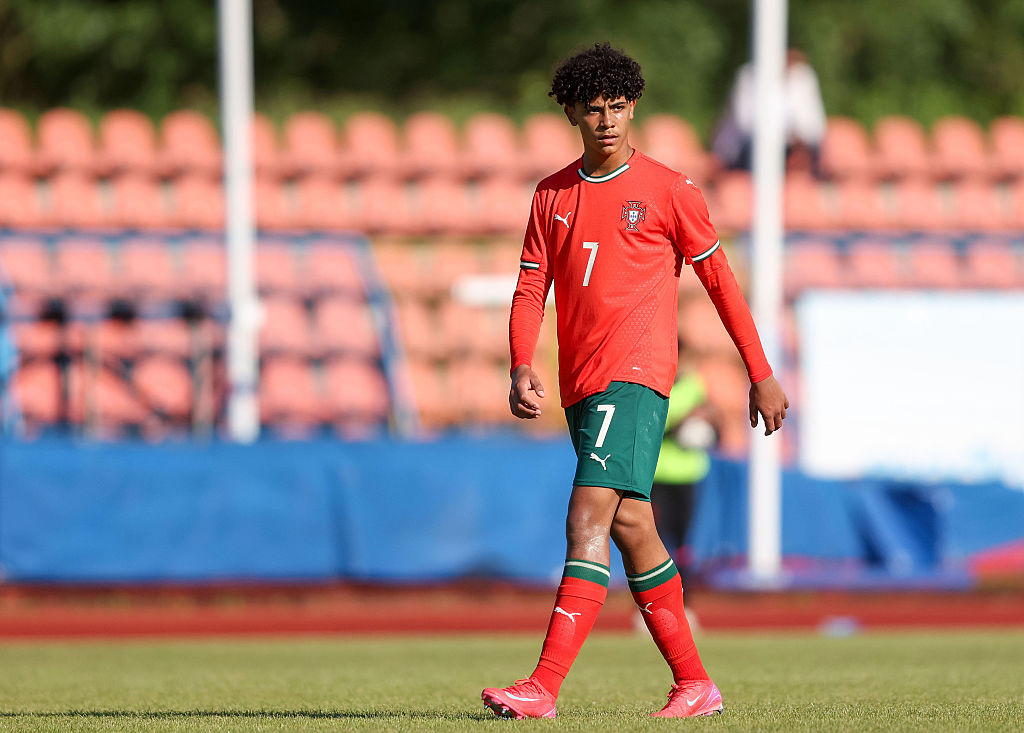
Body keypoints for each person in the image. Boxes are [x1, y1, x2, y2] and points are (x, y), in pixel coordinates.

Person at [481, 42, 788, 720]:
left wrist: (761, 373)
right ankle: (694, 682)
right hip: (580, 384)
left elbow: (722, 285)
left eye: (619, 107)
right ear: (571, 114)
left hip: (637, 376)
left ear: (634, 107)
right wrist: (520, 360)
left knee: (586, 514)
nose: (609, 121)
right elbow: (532, 285)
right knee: (630, 522)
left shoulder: (671, 191)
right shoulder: (551, 195)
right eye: (594, 110)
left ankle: (543, 685)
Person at [650, 358, 717, 586]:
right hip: (657, 474)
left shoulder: (695, 387)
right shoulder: (653, 386)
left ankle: (684, 600)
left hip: (688, 476)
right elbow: (654, 422)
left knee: (684, 543)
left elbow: (717, 428)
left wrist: (705, 423)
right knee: (652, 541)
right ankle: (649, 603)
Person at [711, 49, 826, 177]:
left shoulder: (802, 77)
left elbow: (815, 125)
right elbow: (745, 122)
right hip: (743, 150)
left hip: (791, 146)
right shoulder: (749, 75)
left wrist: (798, 137)